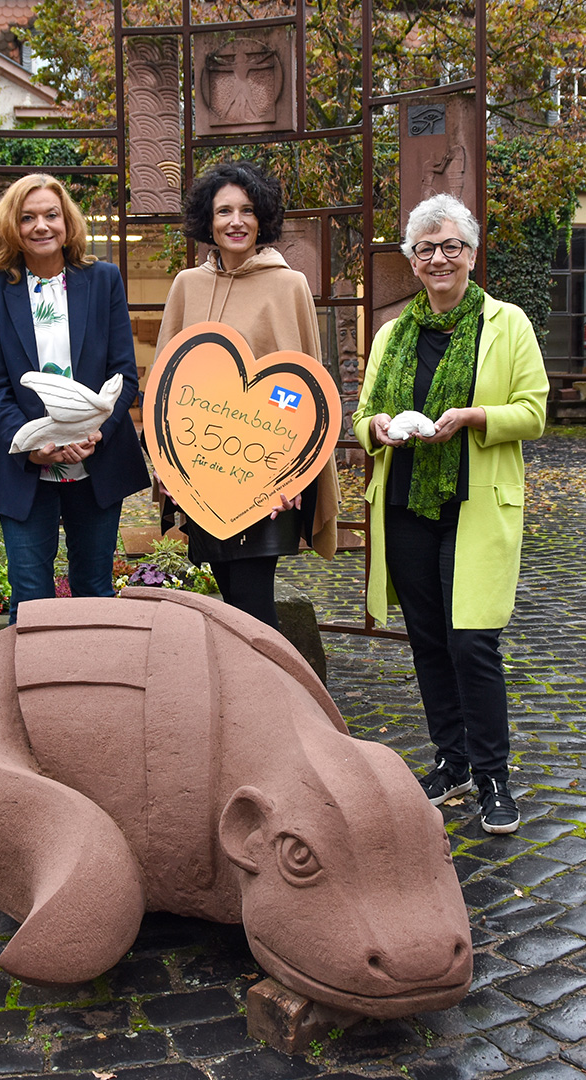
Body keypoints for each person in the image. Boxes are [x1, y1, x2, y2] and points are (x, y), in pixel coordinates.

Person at [352, 193, 548, 835]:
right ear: (412, 261)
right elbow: (360, 418)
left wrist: (473, 419)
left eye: (451, 247)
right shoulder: (391, 335)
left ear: (471, 253)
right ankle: (452, 760)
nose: (439, 258)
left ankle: (494, 775)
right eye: (426, 249)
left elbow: (534, 412)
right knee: (430, 641)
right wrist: (377, 427)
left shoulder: (506, 323)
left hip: (474, 505)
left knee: (473, 641)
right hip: (407, 504)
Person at [154, 160, 339, 630]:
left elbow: (303, 389)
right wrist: (168, 466)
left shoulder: (288, 285)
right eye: (224, 212)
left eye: (247, 211)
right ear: (207, 221)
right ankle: (251, 699)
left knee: (254, 606)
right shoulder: (186, 286)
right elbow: (167, 385)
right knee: (231, 602)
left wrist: (294, 472)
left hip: (267, 478)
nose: (236, 221)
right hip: (205, 473)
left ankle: (273, 699)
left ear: (263, 219)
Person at [0, 174, 150, 622]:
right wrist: (33, 446)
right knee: (31, 598)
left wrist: (95, 435)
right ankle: (36, 692)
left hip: (97, 459)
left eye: (51, 215)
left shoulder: (103, 280)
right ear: (12, 227)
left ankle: (98, 688)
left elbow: (124, 375)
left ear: (67, 222)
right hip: (25, 465)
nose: (41, 226)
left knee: (95, 591)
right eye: (27, 217)